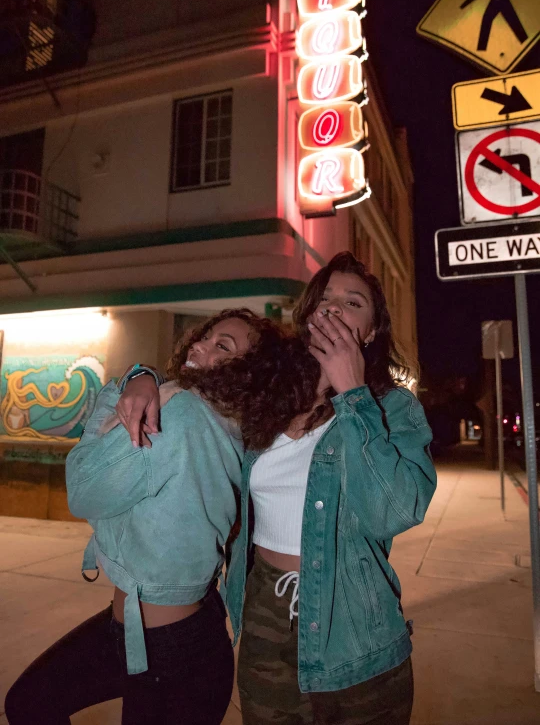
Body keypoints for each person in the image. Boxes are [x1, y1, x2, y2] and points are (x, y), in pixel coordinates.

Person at [113, 252, 437, 725]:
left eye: (353, 302)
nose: (334, 308)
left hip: (355, 633)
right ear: (307, 315)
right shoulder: (270, 395)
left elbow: (395, 510)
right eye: (324, 298)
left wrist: (352, 394)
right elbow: (201, 372)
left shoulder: (392, 409)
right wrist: (142, 377)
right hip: (265, 623)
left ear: (370, 332)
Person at [4, 309, 319, 725]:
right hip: (163, 633)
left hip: (168, 654)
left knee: (29, 703)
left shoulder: (183, 415)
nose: (199, 346)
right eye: (205, 337)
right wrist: (142, 374)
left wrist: (115, 393)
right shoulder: (227, 422)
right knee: (31, 700)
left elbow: (82, 490)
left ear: (249, 372)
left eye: (222, 347)